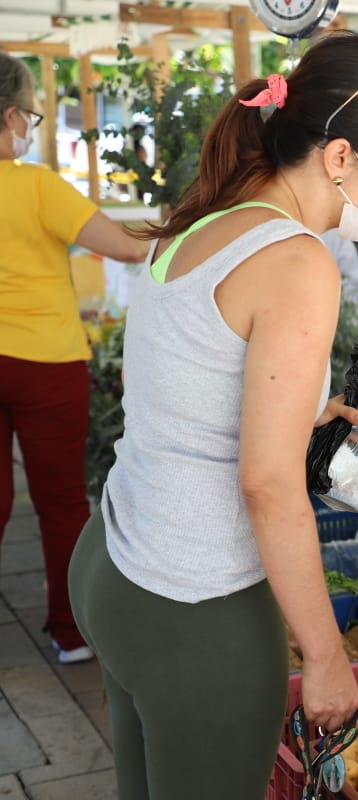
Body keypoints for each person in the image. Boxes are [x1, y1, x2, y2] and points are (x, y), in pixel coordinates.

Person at [66, 31, 358, 797]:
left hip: (115, 560)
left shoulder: (203, 219)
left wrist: (302, 413)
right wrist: (326, 656)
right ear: (340, 158)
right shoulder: (299, 261)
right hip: (195, 604)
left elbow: (187, 388)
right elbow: (266, 485)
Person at [0, 53, 149, 665]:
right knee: (61, 500)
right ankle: (68, 631)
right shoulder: (37, 185)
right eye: (31, 115)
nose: (30, 129)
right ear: (11, 115)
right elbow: (126, 248)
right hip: (47, 365)